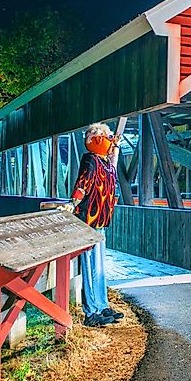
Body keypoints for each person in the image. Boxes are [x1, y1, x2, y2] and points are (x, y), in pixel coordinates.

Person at [63, 122, 125, 326]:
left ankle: (102, 305)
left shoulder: (105, 163)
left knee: (99, 266)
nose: (111, 141)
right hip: (89, 221)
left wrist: (115, 148)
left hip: (99, 221)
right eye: (108, 137)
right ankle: (92, 311)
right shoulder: (90, 160)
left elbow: (112, 174)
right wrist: (72, 203)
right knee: (91, 266)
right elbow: (83, 184)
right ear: (98, 139)